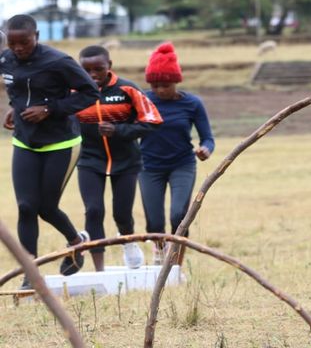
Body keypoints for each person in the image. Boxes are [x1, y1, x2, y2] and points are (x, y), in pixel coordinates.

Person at [1, 14, 99, 286]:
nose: (19, 48)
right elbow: (17, 88)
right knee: (25, 206)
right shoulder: (6, 60)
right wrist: (14, 107)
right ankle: (30, 274)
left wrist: (50, 109)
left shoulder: (58, 62)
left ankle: (77, 242)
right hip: (25, 140)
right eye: (12, 43)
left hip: (61, 142)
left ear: (37, 37)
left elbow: (90, 93)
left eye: (25, 42)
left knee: (46, 207)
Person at [76, 45, 163, 271]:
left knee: (121, 213)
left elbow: (152, 121)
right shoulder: (74, 92)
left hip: (126, 161)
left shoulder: (127, 89)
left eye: (98, 69)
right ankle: (99, 269)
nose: (93, 74)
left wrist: (119, 131)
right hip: (89, 160)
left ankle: (128, 241)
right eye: (86, 70)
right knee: (93, 210)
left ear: (110, 67)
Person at [139, 42, 214, 265]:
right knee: (154, 222)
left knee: (178, 215)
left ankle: (176, 265)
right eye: (155, 85)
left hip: (182, 164)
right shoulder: (142, 101)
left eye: (165, 84)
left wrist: (206, 150)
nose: (160, 90)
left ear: (176, 81)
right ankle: (160, 253)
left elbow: (207, 137)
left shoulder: (192, 104)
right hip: (148, 166)